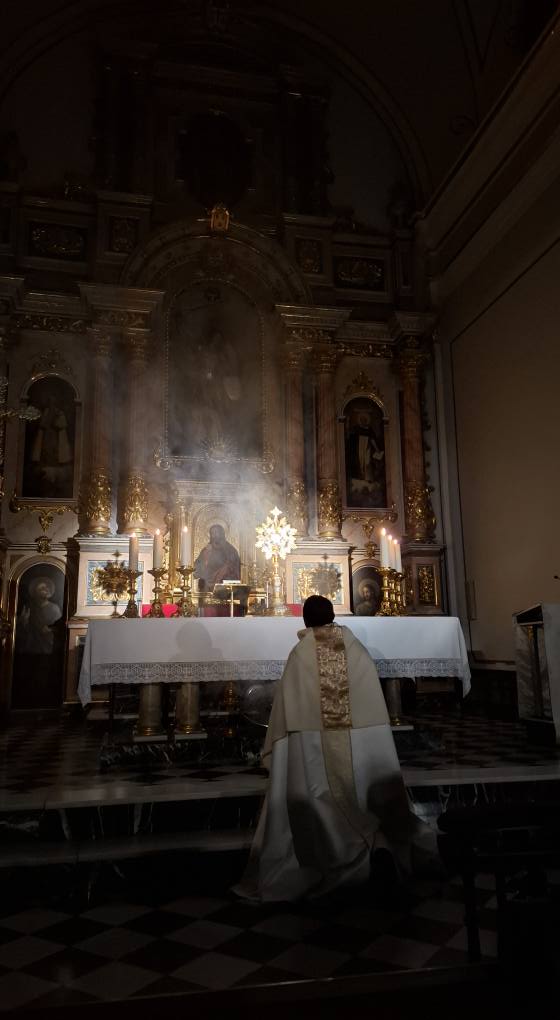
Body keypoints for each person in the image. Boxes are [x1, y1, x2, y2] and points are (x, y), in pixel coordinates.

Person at [234, 595, 417, 902]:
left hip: (312, 744)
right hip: (362, 741)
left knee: (317, 794)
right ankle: (376, 847)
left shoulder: (301, 653)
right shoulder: (356, 648)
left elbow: (283, 709)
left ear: (305, 620)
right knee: (360, 793)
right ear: (333, 616)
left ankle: (330, 857)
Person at [193, 523, 241, 591]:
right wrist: (205, 557)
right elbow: (197, 569)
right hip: (207, 585)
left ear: (221, 534)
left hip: (225, 585)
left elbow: (235, 566)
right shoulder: (206, 549)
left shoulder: (230, 549)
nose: (214, 535)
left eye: (216, 532)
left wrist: (225, 569)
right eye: (212, 533)